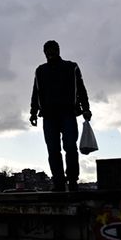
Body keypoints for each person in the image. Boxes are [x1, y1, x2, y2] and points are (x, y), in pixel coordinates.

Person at [29, 40, 91, 192]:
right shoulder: (40, 71)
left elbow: (81, 89)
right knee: (53, 149)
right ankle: (59, 182)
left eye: (53, 50)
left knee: (70, 147)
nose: (50, 53)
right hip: (49, 116)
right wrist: (33, 112)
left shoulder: (72, 67)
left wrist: (86, 108)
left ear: (58, 50)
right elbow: (36, 92)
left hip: (68, 113)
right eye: (47, 50)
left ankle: (72, 181)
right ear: (44, 53)